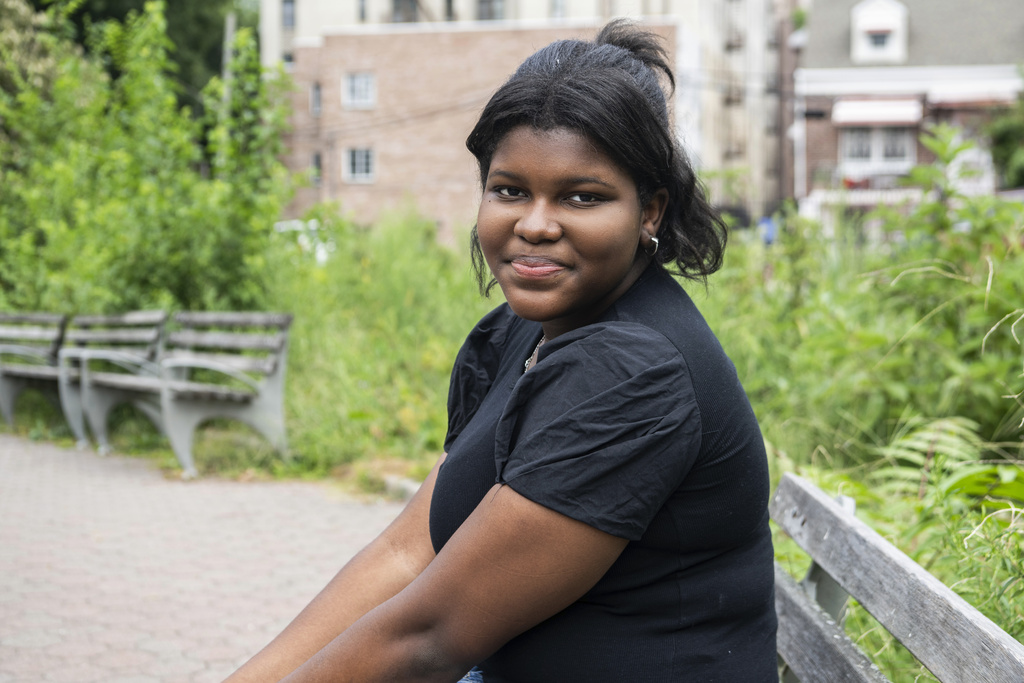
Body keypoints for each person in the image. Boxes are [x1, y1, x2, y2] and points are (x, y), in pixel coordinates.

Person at [226, 20, 776, 683]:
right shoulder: (533, 328)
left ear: (650, 211)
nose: (535, 224)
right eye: (511, 189)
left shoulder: (633, 373)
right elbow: (409, 549)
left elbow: (430, 637)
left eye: (582, 196)